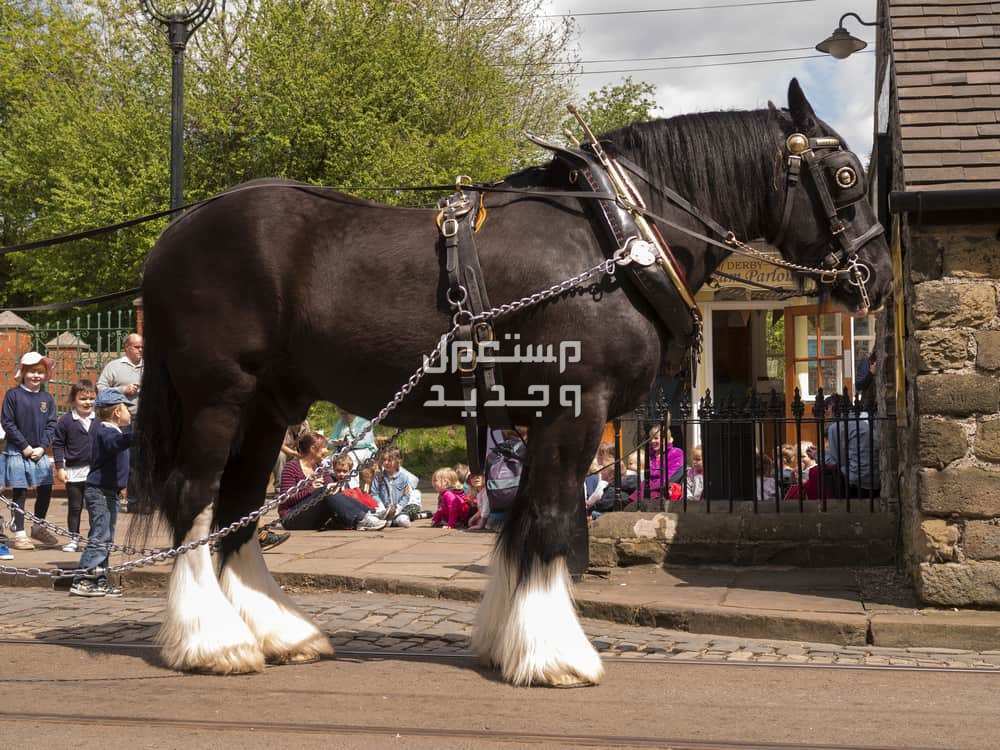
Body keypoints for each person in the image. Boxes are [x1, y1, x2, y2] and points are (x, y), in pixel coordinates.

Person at [69, 390, 135, 597]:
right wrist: (136, 436)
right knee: (100, 535)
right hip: (100, 492)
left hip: (110, 492)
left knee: (106, 537)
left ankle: (99, 579)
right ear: (117, 411)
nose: (130, 413)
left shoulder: (113, 430)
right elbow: (114, 445)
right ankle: (83, 580)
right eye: (127, 409)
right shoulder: (106, 431)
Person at [1, 352, 59, 550]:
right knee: (20, 491)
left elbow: (52, 425)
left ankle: (38, 527)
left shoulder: (47, 398)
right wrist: (24, 446)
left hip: (40, 451)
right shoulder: (13, 395)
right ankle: (19, 532)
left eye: (40, 372)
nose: (36, 376)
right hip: (18, 450)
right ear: (23, 372)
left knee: (46, 488)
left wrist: (42, 447)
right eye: (32, 371)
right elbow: (8, 423)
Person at [279, 432, 386, 531]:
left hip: (314, 517)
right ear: (313, 449)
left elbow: (331, 490)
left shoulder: (320, 468)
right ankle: (362, 519)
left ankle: (370, 513)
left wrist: (336, 487)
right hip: (292, 519)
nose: (326, 451)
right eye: (323, 448)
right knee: (325, 491)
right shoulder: (292, 467)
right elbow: (285, 499)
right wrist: (310, 489)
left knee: (330, 490)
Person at [52, 379, 97, 553]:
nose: (88, 402)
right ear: (73, 400)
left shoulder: (99, 420)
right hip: (74, 471)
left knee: (95, 507)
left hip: (95, 472)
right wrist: (60, 468)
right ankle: (73, 538)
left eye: (91, 398)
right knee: (75, 507)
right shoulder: (65, 421)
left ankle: (95, 539)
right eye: (83, 399)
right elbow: (58, 444)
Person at [630, 425, 684, 504]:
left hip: (661, 490)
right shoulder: (649, 454)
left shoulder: (676, 453)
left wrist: (649, 485)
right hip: (644, 487)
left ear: (665, 439)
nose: (652, 441)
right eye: (651, 438)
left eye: (656, 438)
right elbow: (645, 473)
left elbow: (669, 477)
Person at [370, 447, 422, 527]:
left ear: (398, 461)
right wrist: (381, 506)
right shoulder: (379, 476)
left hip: (398, 510)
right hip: (383, 509)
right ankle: (388, 522)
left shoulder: (403, 477)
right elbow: (374, 493)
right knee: (370, 517)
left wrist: (398, 508)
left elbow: (406, 495)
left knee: (403, 521)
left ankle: (391, 522)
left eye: (389, 460)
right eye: (384, 460)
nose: (386, 463)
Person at [329, 408, 377, 488]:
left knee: (349, 459)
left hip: (364, 450)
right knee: (328, 461)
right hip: (343, 450)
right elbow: (329, 444)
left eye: (346, 413)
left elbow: (367, 442)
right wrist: (336, 442)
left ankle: (352, 489)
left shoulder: (364, 422)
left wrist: (350, 443)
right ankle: (331, 485)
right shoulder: (340, 423)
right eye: (341, 413)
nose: (344, 416)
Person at [96, 333, 142, 413]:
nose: (140, 350)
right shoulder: (113, 366)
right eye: (137, 347)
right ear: (127, 348)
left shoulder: (150, 367)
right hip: (121, 419)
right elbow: (100, 390)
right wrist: (122, 390)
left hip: (147, 418)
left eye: (142, 347)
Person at [272, 420, 310, 494]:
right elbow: (279, 444)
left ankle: (301, 486)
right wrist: (293, 453)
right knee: (280, 456)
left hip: (294, 451)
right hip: (281, 450)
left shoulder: (305, 424)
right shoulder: (284, 423)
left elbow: (307, 440)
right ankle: (279, 489)